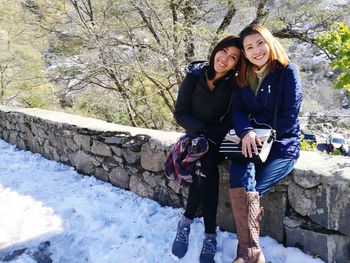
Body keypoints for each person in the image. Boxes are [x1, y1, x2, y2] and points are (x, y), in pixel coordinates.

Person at [228, 24, 302, 263]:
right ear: (245, 53)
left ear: (269, 42)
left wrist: (261, 133)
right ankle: (252, 254)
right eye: (249, 47)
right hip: (250, 142)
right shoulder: (243, 76)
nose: (256, 50)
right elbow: (237, 110)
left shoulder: (287, 72)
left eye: (260, 43)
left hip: (281, 145)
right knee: (238, 179)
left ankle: (247, 253)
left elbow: (289, 115)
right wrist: (247, 131)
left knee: (252, 190)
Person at [172, 35, 242, 263]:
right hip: (195, 136)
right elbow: (180, 112)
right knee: (206, 176)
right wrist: (200, 132)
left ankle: (187, 222)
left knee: (207, 168)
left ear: (236, 64)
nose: (225, 59)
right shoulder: (194, 76)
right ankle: (209, 235)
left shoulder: (233, 86)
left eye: (233, 57)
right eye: (224, 52)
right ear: (215, 50)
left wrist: (210, 136)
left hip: (217, 139)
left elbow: (231, 119)